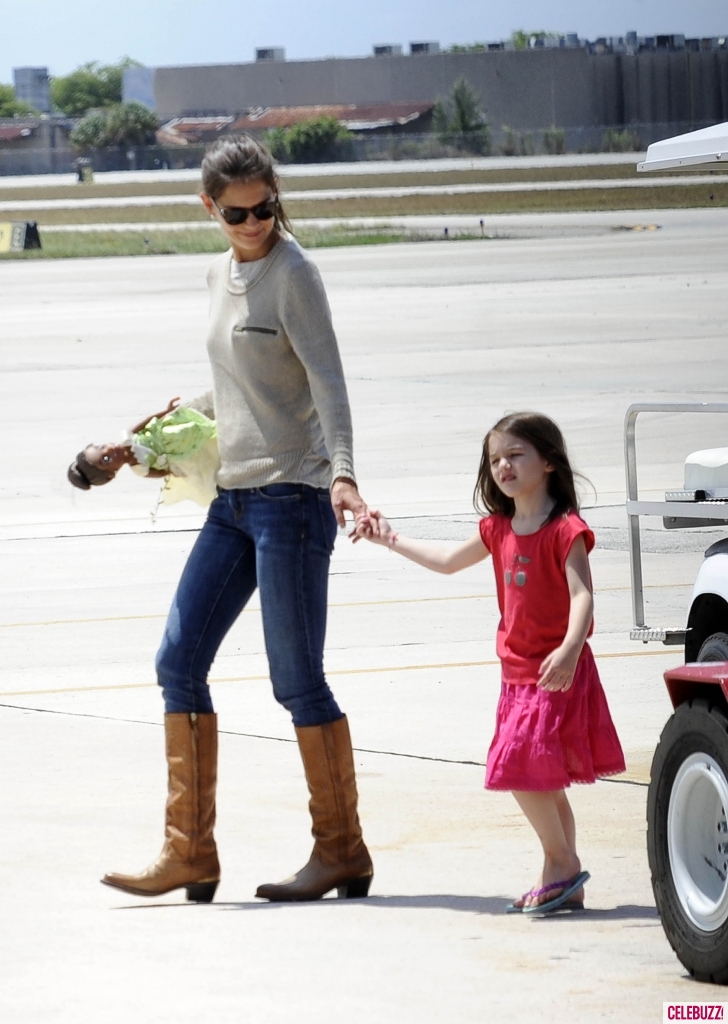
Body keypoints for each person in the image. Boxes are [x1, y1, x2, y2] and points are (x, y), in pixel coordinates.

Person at [100, 134, 373, 904]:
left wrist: (344, 474)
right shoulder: (219, 275)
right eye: (238, 212)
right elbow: (234, 390)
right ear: (209, 206)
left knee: (297, 682)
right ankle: (189, 851)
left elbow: (329, 384)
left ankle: (342, 850)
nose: (254, 224)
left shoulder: (296, 275)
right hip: (233, 499)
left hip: (292, 498)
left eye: (265, 208)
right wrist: (140, 442)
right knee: (177, 661)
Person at [354, 411, 624, 914]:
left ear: (548, 463)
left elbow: (582, 594)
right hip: (516, 672)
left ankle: (561, 866)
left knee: (518, 769)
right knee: (543, 780)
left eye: (516, 455)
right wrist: (389, 538)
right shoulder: (497, 529)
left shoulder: (565, 528)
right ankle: (562, 876)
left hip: (555, 672)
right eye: (495, 459)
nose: (504, 466)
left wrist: (569, 647)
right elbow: (446, 561)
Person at [67, 397, 220, 507]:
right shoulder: (140, 468)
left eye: (101, 447)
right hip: (182, 450)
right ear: (112, 473)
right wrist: (175, 470)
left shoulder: (128, 437)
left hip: (174, 428)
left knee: (201, 420)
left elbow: (148, 419)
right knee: (210, 446)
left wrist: (166, 411)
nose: (109, 449)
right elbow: (160, 472)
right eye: (106, 459)